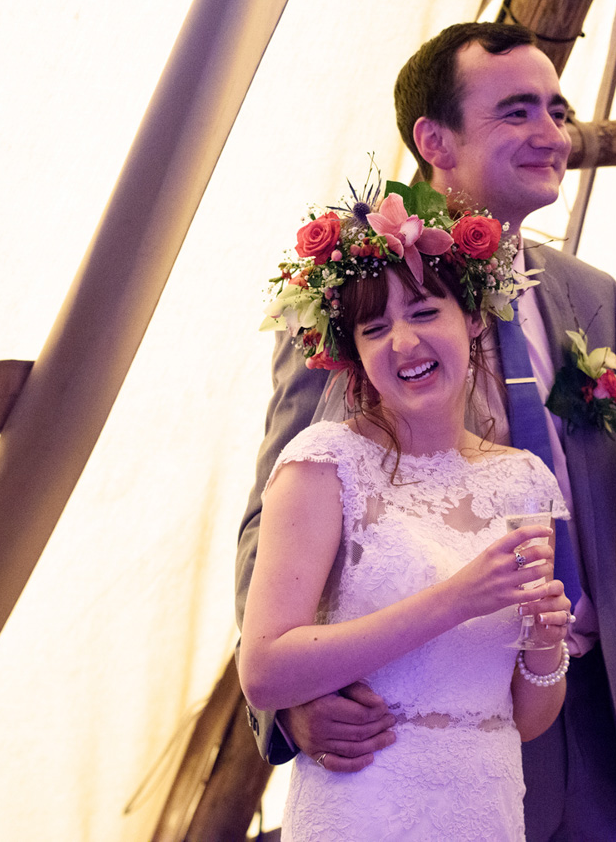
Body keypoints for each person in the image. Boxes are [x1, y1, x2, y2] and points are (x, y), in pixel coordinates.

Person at [236, 22, 616, 841]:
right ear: (435, 139)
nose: (551, 133)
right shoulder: (362, 305)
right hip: (412, 721)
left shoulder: (587, 292)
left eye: (557, 110)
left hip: (585, 697)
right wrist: (290, 704)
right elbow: (278, 514)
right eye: (518, 111)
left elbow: (598, 499)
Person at [239, 192, 576, 839]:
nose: (403, 340)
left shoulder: (524, 479)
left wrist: (544, 641)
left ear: (473, 319)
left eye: (425, 311)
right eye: (373, 329)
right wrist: (454, 599)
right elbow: (264, 670)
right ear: (354, 353)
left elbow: (525, 715)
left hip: (485, 807)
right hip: (367, 807)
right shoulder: (323, 464)